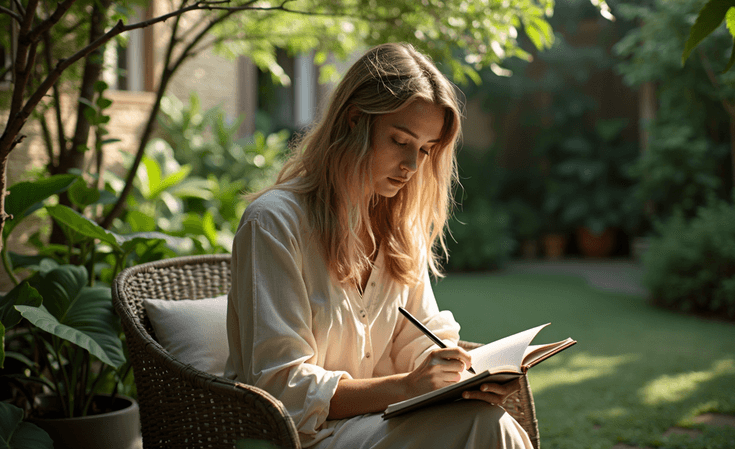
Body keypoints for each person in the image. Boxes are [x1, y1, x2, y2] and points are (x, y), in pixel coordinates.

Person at [225, 42, 533, 448]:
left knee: (486, 418)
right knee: (487, 428)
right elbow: (280, 386)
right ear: (354, 120)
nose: (412, 166)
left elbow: (421, 341)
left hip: (384, 424)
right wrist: (407, 388)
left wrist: (460, 375)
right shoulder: (274, 223)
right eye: (400, 140)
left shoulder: (400, 227)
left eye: (424, 149)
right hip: (304, 437)